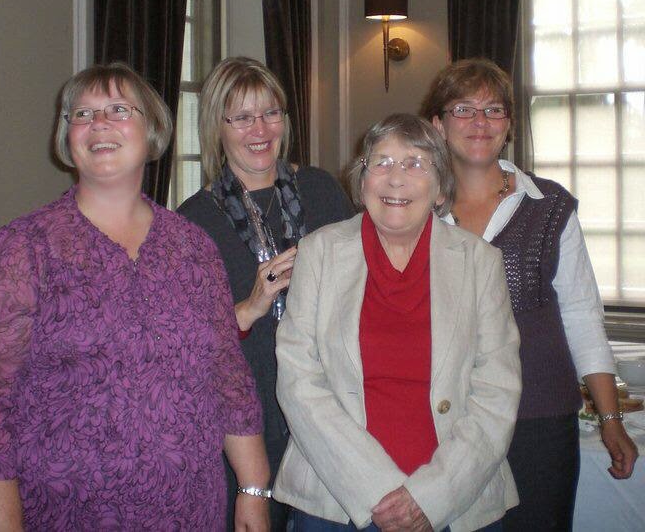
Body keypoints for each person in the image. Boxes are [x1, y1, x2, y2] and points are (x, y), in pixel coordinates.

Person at [0, 62, 270, 531]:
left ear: (152, 129)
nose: (98, 123)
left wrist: (253, 488)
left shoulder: (192, 246)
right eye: (82, 114)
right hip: (66, 516)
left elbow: (228, 376)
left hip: (194, 512)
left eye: (118, 110)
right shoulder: (23, 250)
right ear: (67, 137)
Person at [274, 113, 522, 532]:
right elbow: (298, 381)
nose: (395, 179)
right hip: (337, 499)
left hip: (455, 501)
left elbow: (497, 392)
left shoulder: (480, 262)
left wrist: (431, 496)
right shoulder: (318, 252)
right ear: (362, 182)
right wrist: (375, 487)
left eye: (415, 163)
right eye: (382, 162)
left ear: (440, 187)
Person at [420, 57, 639, 531]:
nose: (480, 122)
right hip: (443, 416)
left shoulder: (550, 206)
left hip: (537, 417)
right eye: (463, 109)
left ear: (509, 125)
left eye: (493, 110)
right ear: (437, 124)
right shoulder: (412, 210)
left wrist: (610, 419)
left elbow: (581, 316)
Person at [178, 56, 354, 530]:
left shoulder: (321, 190)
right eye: (242, 117)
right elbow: (189, 347)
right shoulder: (193, 221)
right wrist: (251, 306)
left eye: (271, 113)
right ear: (217, 126)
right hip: (247, 423)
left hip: (331, 409)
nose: (260, 129)